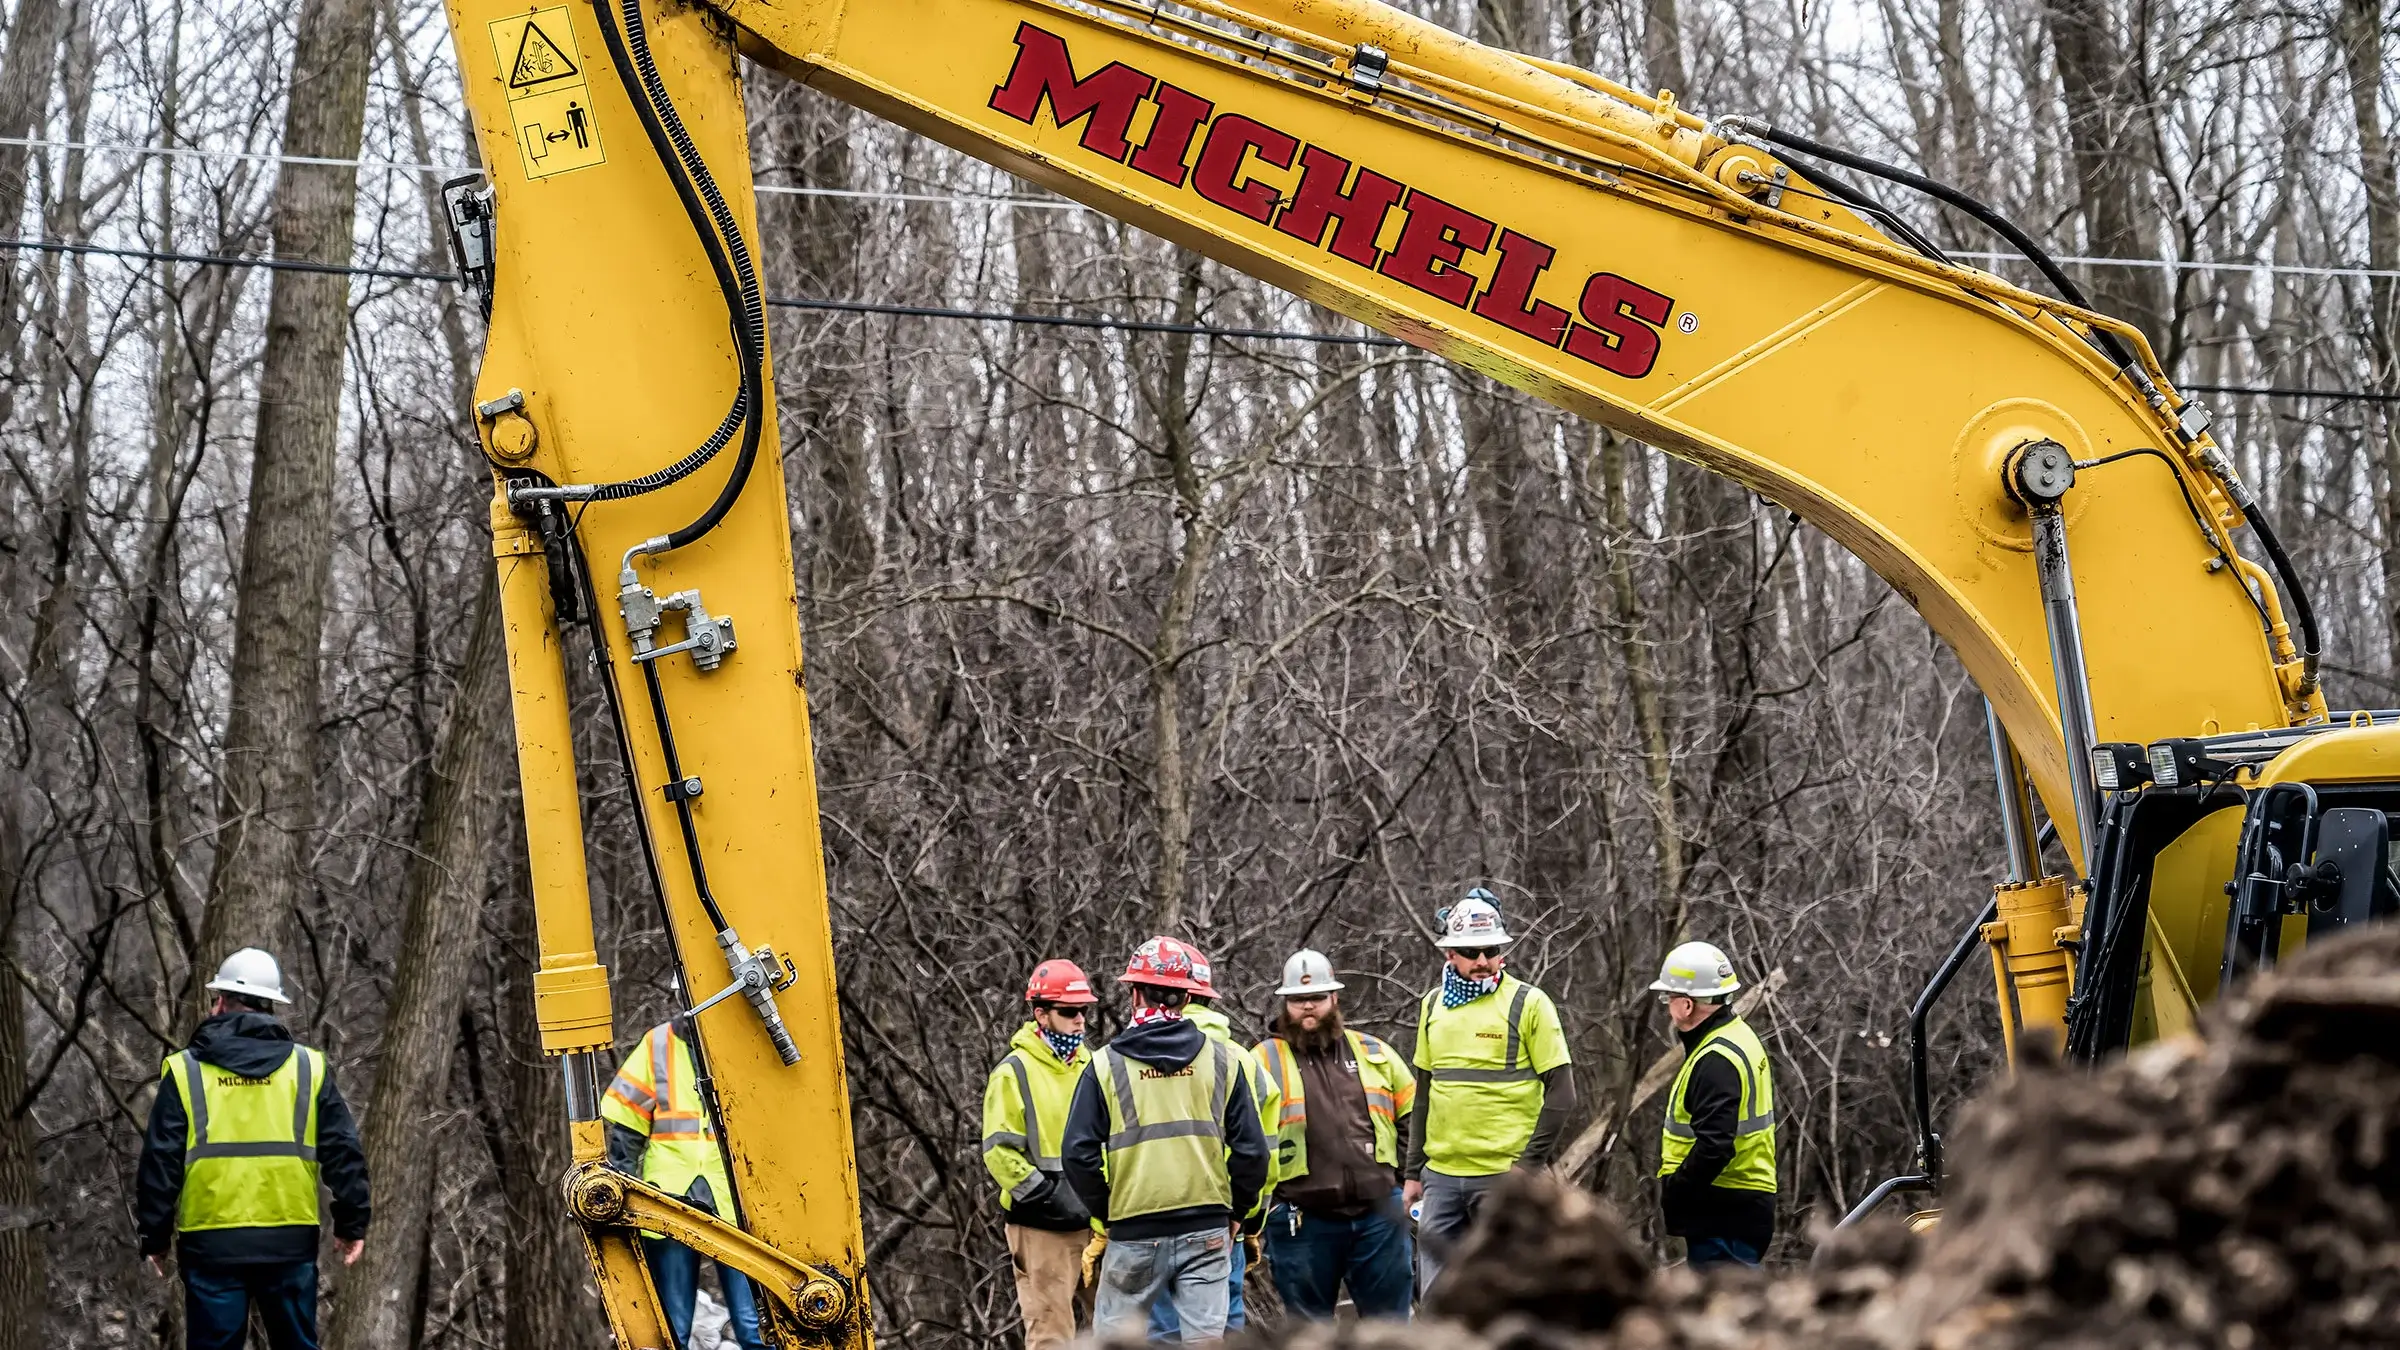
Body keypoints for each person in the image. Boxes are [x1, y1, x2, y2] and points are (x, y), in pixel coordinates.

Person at [136, 947, 371, 1350]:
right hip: (288, 1241)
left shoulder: (186, 1070)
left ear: (222, 1002)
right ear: (272, 1006)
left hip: (210, 1242)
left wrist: (155, 1236)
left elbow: (161, 1160)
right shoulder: (307, 1068)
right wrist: (352, 1223)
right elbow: (342, 1151)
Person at [1062, 937, 1269, 1347]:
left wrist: (1109, 1211)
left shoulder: (1104, 1065)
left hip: (1133, 1229)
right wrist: (1238, 1212)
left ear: (1134, 992)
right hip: (1208, 1227)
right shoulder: (1223, 1060)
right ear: (1188, 997)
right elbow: (1253, 1152)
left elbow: (1077, 1154)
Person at [1403, 890, 1574, 1296]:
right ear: (1450, 955)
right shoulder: (1432, 1006)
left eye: (1490, 950)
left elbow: (1563, 1095)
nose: (1482, 961)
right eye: (1470, 951)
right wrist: (1412, 1172)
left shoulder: (1529, 1004)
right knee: (1439, 1300)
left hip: (1503, 1178)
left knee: (1511, 1297)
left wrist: (1526, 1167)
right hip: (1441, 1180)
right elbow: (1424, 1094)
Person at [1252, 949, 1416, 1321]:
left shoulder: (1374, 1051)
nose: (1308, 1007)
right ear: (1285, 1004)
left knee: (1391, 1330)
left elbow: (1414, 1117)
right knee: (1310, 1334)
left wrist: (1404, 1182)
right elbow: (1244, 1136)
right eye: (1298, 1000)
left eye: (1317, 998)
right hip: (1302, 1218)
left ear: (1334, 999)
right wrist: (1270, 1206)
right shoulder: (1262, 1059)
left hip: (1379, 1216)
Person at [600, 1016, 766, 1350]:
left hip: (733, 1198)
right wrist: (625, 1194)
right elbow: (627, 1127)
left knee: (755, 1326)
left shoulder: (741, 1038)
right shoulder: (658, 1044)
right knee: (674, 1326)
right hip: (668, 1197)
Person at [983, 959, 1101, 1350]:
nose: (1079, 1020)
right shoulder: (1013, 1073)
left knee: (1120, 1329)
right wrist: (1048, 1197)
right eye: (1069, 1012)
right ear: (1041, 1014)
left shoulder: (1096, 1067)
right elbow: (999, 1153)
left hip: (1099, 1224)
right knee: (1052, 1336)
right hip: (1041, 1228)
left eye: (1083, 1010)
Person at [1151, 945, 1261, 1339]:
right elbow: (1261, 1149)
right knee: (1223, 1325)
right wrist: (1248, 1218)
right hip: (1220, 1216)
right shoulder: (1239, 1059)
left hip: (1150, 1215)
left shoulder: (1131, 1057)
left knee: (1161, 1329)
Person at [1652, 940, 1777, 1269]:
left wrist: (1676, 1191)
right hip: (1737, 1207)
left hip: (1724, 1213)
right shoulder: (1737, 1037)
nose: (1667, 1006)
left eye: (1669, 997)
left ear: (1687, 1006)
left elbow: (1715, 1147)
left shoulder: (1716, 1059)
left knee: (1727, 1312)